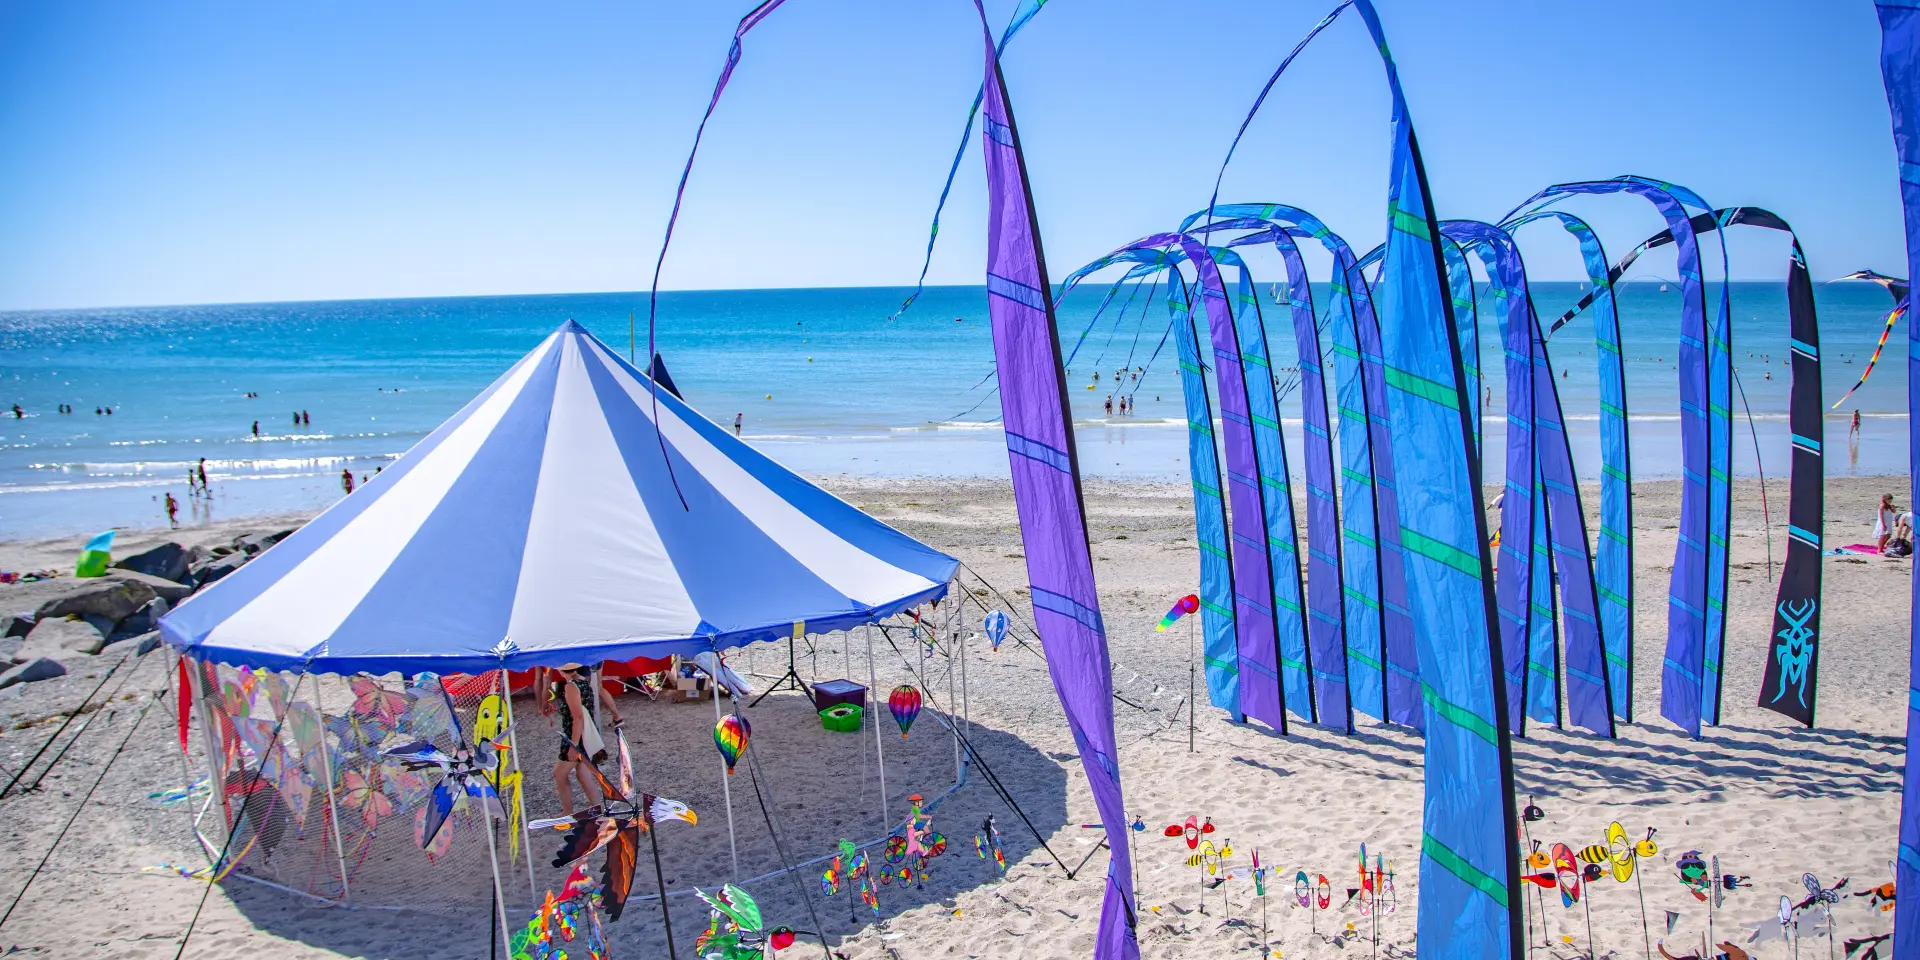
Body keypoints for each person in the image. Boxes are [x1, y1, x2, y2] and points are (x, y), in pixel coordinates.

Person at [549, 663, 622, 815]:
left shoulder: (571, 686)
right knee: (583, 775)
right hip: (583, 736)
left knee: (559, 773)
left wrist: (573, 745)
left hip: (575, 737)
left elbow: (578, 718)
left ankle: (567, 812)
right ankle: (598, 809)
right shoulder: (584, 682)